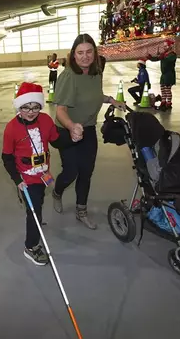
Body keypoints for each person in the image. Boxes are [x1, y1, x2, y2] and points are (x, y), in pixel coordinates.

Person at [52, 34, 125, 230]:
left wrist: (111, 100)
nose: (85, 57)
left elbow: (94, 94)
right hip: (67, 131)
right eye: (80, 53)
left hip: (88, 129)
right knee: (71, 172)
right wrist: (72, 126)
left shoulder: (95, 72)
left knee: (86, 171)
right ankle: (57, 192)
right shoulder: (68, 77)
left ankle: (81, 211)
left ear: (94, 52)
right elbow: (60, 110)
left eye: (89, 52)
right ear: (73, 55)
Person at [2, 81, 72, 266]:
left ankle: (37, 220)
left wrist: (73, 134)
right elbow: (7, 158)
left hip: (43, 174)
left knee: (39, 201)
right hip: (26, 178)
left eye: (35, 107)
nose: (31, 112)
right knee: (33, 212)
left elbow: (56, 140)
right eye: (26, 107)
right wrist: (17, 180)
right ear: (19, 107)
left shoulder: (46, 120)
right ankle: (30, 247)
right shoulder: (11, 128)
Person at [147, 39, 177, 111]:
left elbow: (169, 60)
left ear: (170, 46)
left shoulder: (172, 54)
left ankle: (169, 103)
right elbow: (157, 58)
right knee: (162, 88)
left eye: (166, 46)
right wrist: (150, 58)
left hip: (169, 74)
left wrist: (162, 57)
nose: (164, 47)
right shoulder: (164, 54)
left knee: (167, 89)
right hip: (163, 74)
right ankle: (163, 101)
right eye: (164, 46)